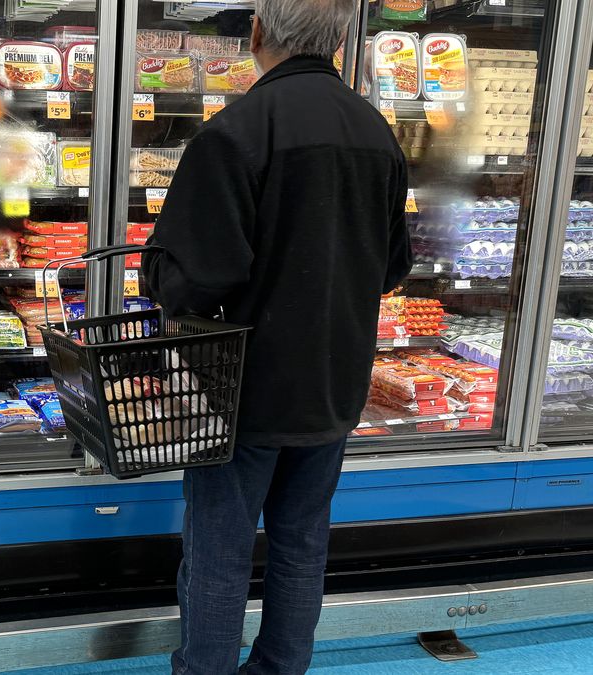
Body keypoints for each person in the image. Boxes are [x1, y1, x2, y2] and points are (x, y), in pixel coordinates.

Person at [142, 0, 413, 673]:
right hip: (334, 380)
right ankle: (281, 666)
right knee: (301, 544)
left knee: (219, 549)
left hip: (243, 384)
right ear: (343, 39)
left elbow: (200, 275)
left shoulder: (236, 131)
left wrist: (158, 274)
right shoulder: (377, 134)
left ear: (258, 34)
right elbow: (393, 264)